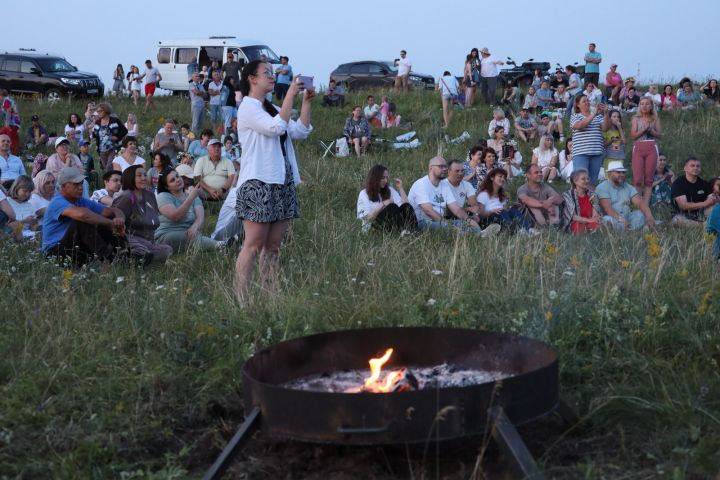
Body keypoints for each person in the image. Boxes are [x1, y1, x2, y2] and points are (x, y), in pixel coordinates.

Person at [234, 59, 314, 304]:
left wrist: (306, 103)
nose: (272, 76)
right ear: (252, 79)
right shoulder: (248, 107)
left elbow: (299, 130)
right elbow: (276, 128)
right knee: (254, 244)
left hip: (282, 181)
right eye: (266, 73)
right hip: (258, 181)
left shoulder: (270, 106)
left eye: (272, 72)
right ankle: (242, 299)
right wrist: (290, 93)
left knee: (274, 245)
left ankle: (270, 296)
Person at [42, 167, 127, 266]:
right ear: (64, 186)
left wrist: (120, 220)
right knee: (83, 221)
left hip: (75, 248)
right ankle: (106, 259)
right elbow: (83, 215)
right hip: (55, 253)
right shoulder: (57, 201)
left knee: (104, 219)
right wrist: (109, 223)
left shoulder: (81, 201)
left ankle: (124, 256)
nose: (80, 187)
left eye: (81, 183)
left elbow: (113, 210)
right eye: (76, 184)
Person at [408, 156, 498, 236]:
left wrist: (469, 220)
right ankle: (475, 235)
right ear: (431, 168)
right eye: (440, 166)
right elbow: (429, 211)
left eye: (445, 166)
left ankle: (477, 233)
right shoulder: (421, 184)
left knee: (464, 223)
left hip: (440, 221)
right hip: (423, 223)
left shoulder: (444, 185)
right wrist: (447, 224)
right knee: (449, 228)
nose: (444, 169)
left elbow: (456, 209)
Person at [112, 165, 172, 264]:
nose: (144, 178)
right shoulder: (126, 197)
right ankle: (130, 259)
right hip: (129, 238)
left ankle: (145, 258)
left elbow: (155, 218)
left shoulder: (150, 195)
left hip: (148, 241)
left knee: (167, 250)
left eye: (145, 175)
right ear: (130, 177)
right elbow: (114, 224)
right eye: (139, 175)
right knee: (142, 251)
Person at [155, 167, 225, 252]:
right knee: (189, 238)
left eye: (177, 176)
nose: (177, 180)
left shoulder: (192, 195)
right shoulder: (163, 196)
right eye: (172, 180)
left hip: (190, 233)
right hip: (166, 235)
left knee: (191, 237)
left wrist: (195, 226)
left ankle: (220, 244)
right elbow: (176, 216)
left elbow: (200, 217)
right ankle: (221, 245)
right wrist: (191, 196)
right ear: (167, 187)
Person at [596, 161, 655, 230]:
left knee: (641, 214)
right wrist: (623, 221)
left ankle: (630, 228)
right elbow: (608, 210)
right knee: (607, 220)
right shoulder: (602, 187)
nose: (622, 175)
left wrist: (650, 217)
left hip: (628, 217)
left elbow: (640, 203)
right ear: (609, 174)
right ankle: (633, 229)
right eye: (618, 172)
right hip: (613, 218)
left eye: (623, 172)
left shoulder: (628, 187)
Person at [356, 164, 415, 233]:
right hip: (372, 227)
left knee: (407, 206)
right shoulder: (364, 193)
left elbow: (405, 206)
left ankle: (413, 231)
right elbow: (367, 219)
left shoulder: (389, 190)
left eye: (387, 178)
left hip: (390, 224)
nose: (386, 180)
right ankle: (403, 231)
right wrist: (383, 204)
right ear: (375, 178)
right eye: (383, 178)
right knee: (391, 207)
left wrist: (400, 188)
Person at [476, 168, 534, 234]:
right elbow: (481, 214)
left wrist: (512, 206)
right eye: (500, 176)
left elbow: (505, 210)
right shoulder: (483, 194)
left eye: (504, 177)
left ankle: (528, 229)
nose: (503, 179)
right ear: (492, 178)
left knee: (513, 210)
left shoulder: (502, 196)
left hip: (502, 216)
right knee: (502, 212)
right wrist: (492, 211)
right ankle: (510, 230)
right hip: (489, 219)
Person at [630, 97, 662, 208]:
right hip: (638, 147)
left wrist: (651, 131)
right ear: (639, 105)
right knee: (637, 179)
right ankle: (637, 206)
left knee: (649, 179)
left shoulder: (655, 119)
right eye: (642, 104)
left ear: (651, 106)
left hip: (652, 147)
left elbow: (660, 135)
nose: (644, 106)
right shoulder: (635, 118)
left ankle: (646, 206)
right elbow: (633, 135)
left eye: (647, 104)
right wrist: (644, 129)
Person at [570, 94, 608, 185]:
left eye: (588, 100)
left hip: (596, 153)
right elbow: (580, 126)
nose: (587, 102)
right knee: (580, 180)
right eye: (584, 101)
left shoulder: (598, 117)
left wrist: (606, 113)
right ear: (578, 105)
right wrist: (594, 113)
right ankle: (577, 198)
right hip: (581, 153)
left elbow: (605, 128)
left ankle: (590, 199)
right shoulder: (575, 116)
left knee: (592, 181)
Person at [670, 156, 716, 225]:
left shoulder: (704, 183)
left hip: (701, 213)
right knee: (677, 220)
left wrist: (714, 199)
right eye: (692, 166)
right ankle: (702, 225)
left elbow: (712, 199)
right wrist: (705, 203)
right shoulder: (678, 183)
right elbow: (683, 206)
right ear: (685, 168)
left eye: (698, 166)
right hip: (683, 215)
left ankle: (705, 224)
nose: (695, 168)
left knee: (715, 209)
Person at [562, 169, 602, 235]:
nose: (587, 181)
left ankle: (593, 232)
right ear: (575, 181)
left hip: (591, 221)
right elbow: (573, 217)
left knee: (602, 224)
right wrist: (589, 220)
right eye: (583, 179)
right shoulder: (568, 196)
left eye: (587, 179)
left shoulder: (593, 195)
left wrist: (595, 218)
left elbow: (596, 210)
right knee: (578, 227)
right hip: (576, 222)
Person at [91, 103, 128, 171]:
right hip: (102, 150)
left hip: (113, 148)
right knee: (106, 169)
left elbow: (125, 131)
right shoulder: (97, 122)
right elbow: (94, 135)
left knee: (109, 168)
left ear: (106, 111)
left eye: (100, 111)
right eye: (97, 111)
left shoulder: (115, 120)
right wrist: (93, 135)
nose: (98, 113)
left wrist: (117, 137)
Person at [603, 109, 626, 174]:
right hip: (609, 157)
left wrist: (619, 127)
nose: (616, 118)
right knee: (609, 176)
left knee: (619, 176)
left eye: (618, 117)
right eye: (614, 117)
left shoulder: (621, 130)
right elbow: (604, 144)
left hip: (620, 157)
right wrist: (611, 140)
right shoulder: (606, 130)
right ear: (609, 118)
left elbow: (624, 142)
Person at [0, 89, 21, 154]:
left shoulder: (6, 100)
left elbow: (9, 111)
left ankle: (14, 153)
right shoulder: (7, 99)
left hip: (12, 123)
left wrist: (7, 123)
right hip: (13, 122)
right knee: (2, 133)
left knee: (11, 138)